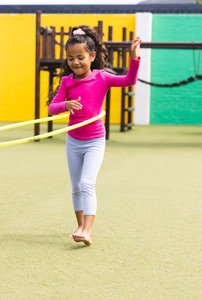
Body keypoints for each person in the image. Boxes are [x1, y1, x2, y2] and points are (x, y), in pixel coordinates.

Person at [48, 25, 141, 246]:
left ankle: (88, 230)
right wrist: (65, 105)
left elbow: (129, 80)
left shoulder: (102, 78)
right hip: (73, 141)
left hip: (94, 141)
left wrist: (135, 58)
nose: (75, 62)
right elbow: (52, 109)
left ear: (92, 56)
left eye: (80, 57)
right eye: (70, 58)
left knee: (87, 183)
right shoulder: (67, 81)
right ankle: (79, 227)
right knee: (75, 186)